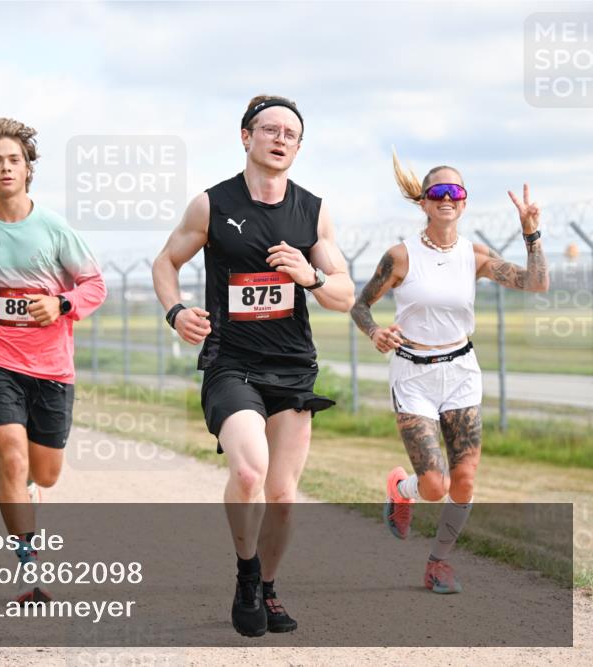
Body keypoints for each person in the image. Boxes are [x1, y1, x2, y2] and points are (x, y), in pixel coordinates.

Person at [152, 95, 355, 637]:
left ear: (299, 147)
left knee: (283, 496)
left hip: (292, 366)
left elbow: (344, 294)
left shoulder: (312, 211)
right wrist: (176, 312)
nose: (281, 139)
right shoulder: (212, 205)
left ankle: (267, 587)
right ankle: (246, 574)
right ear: (246, 136)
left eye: (291, 133)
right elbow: (166, 261)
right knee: (248, 472)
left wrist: (309, 276)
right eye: (270, 129)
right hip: (232, 363)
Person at [350, 153, 549, 594]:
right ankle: (401, 489)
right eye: (437, 192)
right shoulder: (400, 256)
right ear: (423, 202)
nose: (446, 198)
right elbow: (360, 306)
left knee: (464, 480)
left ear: (464, 202)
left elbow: (536, 283)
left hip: (461, 371)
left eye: (455, 191)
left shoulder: (474, 255)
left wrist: (531, 232)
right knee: (435, 486)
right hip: (413, 375)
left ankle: (438, 563)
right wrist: (376, 332)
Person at [0, 117, 106, 604]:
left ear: (28, 168)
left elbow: (94, 285)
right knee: (11, 457)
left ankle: (32, 486)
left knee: (45, 472)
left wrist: (61, 304)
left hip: (51, 365)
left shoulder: (54, 228)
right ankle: (28, 566)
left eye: (14, 160)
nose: (6, 168)